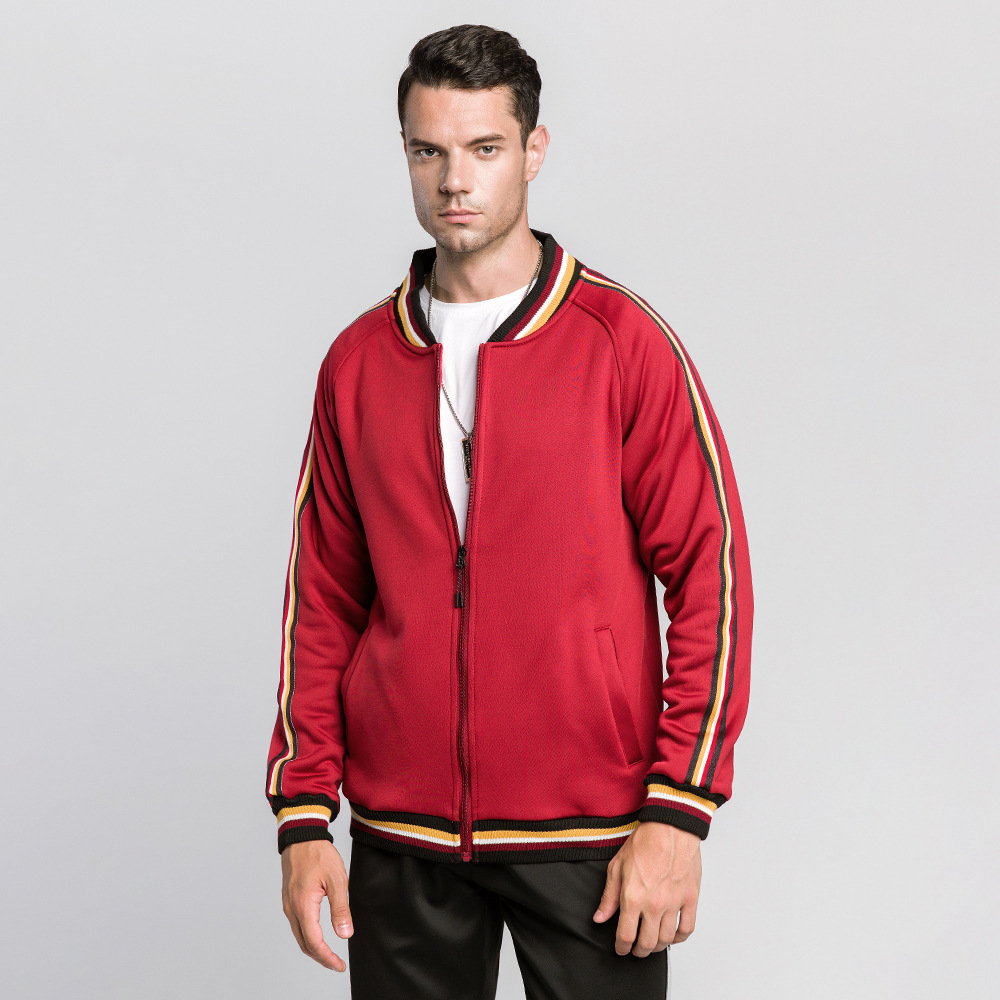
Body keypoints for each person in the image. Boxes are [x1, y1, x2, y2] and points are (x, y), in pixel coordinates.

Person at [265, 23, 753, 1000]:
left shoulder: (622, 344)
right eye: (429, 151)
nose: (455, 180)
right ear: (405, 152)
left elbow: (712, 577)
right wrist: (304, 812)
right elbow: (322, 600)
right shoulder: (358, 363)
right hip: (401, 832)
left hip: (593, 833)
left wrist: (679, 811)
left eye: (483, 148)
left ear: (533, 150)